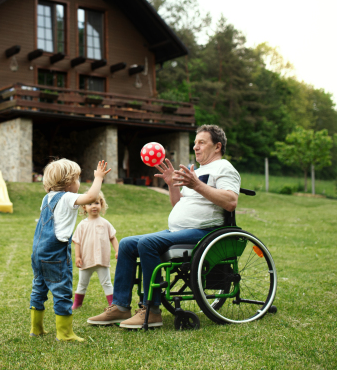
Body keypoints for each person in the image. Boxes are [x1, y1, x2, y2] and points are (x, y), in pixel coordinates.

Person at [87, 124, 241, 329]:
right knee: (126, 244)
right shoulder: (198, 171)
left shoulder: (224, 168)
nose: (195, 147)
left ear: (218, 146)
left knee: (148, 243)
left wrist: (196, 185)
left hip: (204, 232)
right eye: (195, 143)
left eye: (201, 143)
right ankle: (120, 306)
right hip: (179, 231)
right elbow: (179, 205)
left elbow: (231, 201)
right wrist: (171, 184)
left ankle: (152, 310)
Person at [29, 159, 111, 342]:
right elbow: (90, 197)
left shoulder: (47, 198)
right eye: (78, 179)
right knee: (62, 290)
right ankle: (65, 333)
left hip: (38, 253)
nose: (79, 183)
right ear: (68, 182)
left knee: (39, 288)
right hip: (55, 253)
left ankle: (36, 328)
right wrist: (98, 178)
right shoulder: (67, 197)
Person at [72, 190, 119, 309]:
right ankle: (77, 303)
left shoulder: (105, 223)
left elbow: (113, 238)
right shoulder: (82, 225)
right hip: (86, 260)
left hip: (102, 260)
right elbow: (77, 241)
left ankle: (112, 305)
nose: (94, 206)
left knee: (107, 283)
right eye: (90, 203)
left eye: (97, 203)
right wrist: (77, 257)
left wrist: (118, 251)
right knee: (82, 283)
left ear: (101, 204)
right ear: (84, 207)